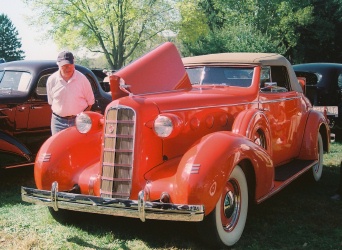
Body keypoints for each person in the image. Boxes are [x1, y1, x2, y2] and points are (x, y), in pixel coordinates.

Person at [47, 51, 95, 135]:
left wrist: (81, 118)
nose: (68, 68)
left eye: (70, 64)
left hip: (78, 121)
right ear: (58, 64)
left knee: (78, 147)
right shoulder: (52, 80)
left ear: (74, 63)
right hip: (58, 122)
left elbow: (90, 102)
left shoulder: (82, 79)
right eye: (64, 65)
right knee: (59, 147)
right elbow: (51, 102)